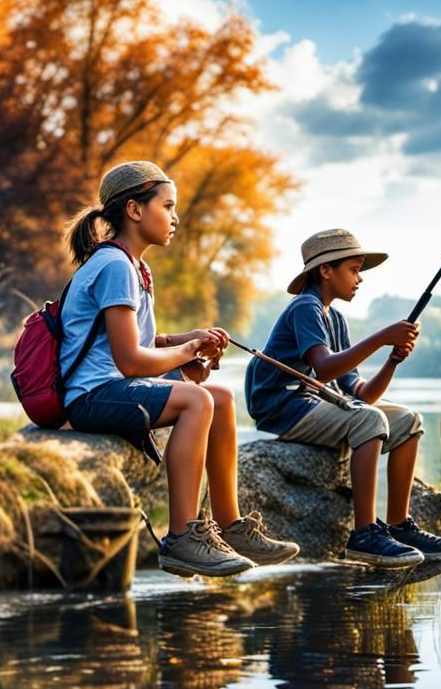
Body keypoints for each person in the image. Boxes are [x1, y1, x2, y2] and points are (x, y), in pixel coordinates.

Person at [60, 160, 299, 577]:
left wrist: (179, 341)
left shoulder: (133, 266)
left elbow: (131, 341)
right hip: (90, 396)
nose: (176, 217)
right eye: (167, 206)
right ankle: (183, 537)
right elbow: (130, 360)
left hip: (112, 385)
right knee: (196, 401)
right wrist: (188, 351)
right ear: (135, 210)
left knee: (220, 398)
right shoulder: (116, 266)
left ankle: (229, 525)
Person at [245, 228, 441, 568]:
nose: (360, 279)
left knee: (409, 420)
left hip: (314, 403)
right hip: (284, 406)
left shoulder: (334, 317)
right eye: (353, 269)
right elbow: (322, 369)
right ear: (326, 271)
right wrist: (381, 337)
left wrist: (392, 360)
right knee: (369, 419)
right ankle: (363, 534)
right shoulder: (305, 307)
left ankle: (399, 525)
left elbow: (361, 393)